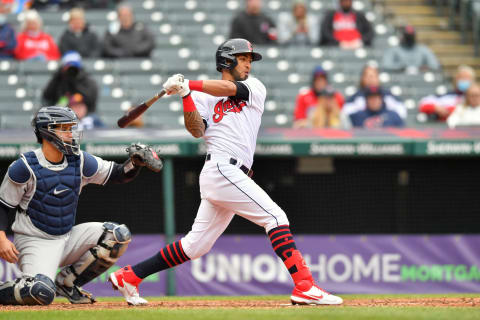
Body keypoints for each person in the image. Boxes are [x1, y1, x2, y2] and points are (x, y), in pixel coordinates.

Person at [108, 38, 343, 306]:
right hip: (220, 167)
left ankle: (131, 276)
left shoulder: (254, 87)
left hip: (230, 172)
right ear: (227, 60)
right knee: (275, 217)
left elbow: (229, 88)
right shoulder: (201, 95)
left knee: (196, 246)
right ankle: (304, 285)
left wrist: (190, 84)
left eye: (249, 60)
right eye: (243, 59)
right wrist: (186, 96)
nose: (247, 64)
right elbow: (196, 130)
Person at [0, 106, 163, 305]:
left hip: (67, 236)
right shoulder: (24, 167)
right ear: (46, 131)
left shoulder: (79, 160)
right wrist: (1, 239)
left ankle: (67, 283)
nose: (71, 133)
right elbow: (2, 205)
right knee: (41, 292)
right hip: (34, 241)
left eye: (71, 128)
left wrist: (134, 164)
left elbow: (119, 174)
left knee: (117, 235)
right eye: (65, 129)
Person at [342, 63, 407, 121]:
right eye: (368, 76)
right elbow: (345, 114)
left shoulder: (387, 95)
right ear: (362, 78)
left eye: (373, 76)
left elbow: (402, 112)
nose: (370, 79)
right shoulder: (356, 97)